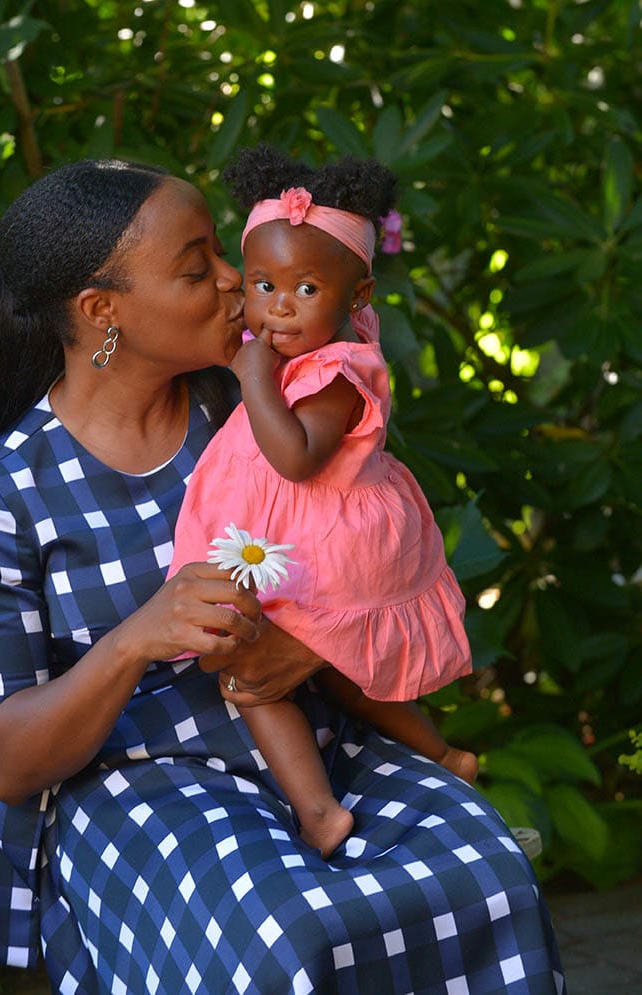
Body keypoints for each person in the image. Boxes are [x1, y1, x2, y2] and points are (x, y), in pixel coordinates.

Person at [0, 157, 566, 994]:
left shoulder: (249, 408)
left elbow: (365, 558)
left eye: (224, 254)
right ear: (101, 311)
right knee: (281, 931)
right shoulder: (1, 496)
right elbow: (4, 762)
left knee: (483, 872)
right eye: (197, 268)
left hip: (312, 743)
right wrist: (135, 640)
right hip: (134, 792)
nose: (234, 282)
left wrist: (317, 648)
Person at [167, 146, 477, 858]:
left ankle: (319, 810)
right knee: (332, 673)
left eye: (305, 289)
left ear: (356, 299)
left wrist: (252, 377)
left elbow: (297, 457)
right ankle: (442, 758)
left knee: (256, 676)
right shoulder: (283, 355)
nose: (277, 304)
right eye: (262, 283)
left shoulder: (339, 370)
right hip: (286, 544)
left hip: (326, 548)